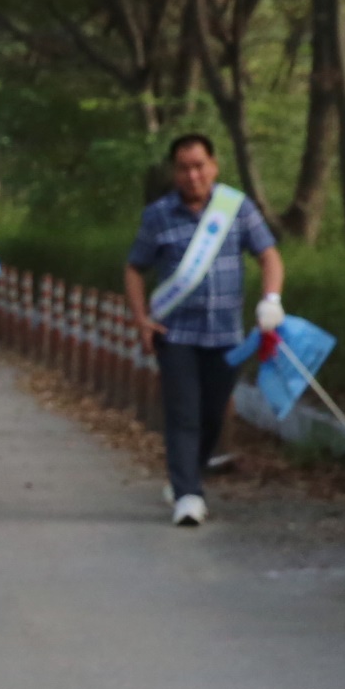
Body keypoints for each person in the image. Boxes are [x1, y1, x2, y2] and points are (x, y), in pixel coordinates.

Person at [124, 133, 285, 528]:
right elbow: (133, 268)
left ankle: (187, 475)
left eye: (199, 166)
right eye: (184, 168)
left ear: (213, 166)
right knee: (184, 415)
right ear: (174, 172)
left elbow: (269, 256)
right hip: (176, 333)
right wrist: (142, 318)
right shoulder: (158, 215)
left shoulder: (236, 208)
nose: (193, 175)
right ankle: (188, 495)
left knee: (213, 415)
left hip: (226, 336)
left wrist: (271, 300)